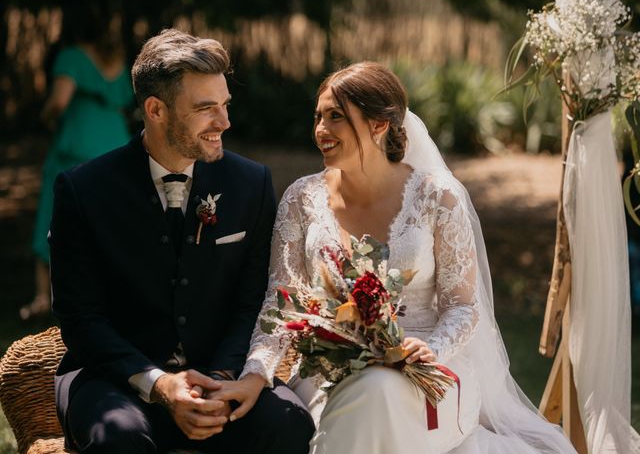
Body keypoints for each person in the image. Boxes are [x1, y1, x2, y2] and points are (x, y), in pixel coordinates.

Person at [218, 62, 579, 453]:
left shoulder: (436, 197)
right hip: (329, 371)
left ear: (379, 124)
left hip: (431, 369)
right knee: (366, 391)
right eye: (318, 116)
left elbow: (463, 306)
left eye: (335, 117)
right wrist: (256, 374)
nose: (320, 130)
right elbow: (281, 304)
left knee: (377, 390)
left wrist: (431, 349)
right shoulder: (301, 199)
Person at [49, 28, 314, 454]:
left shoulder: (251, 183)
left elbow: (253, 300)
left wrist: (225, 379)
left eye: (225, 105)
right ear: (156, 109)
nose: (224, 122)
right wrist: (159, 384)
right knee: (120, 439)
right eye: (206, 108)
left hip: (217, 376)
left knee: (289, 425)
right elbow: (80, 318)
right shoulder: (83, 191)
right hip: (114, 379)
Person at [23, 0, 134, 320]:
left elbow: (59, 100)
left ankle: (44, 296)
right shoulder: (117, 61)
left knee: (54, 214)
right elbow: (126, 102)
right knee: (108, 219)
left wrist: (45, 118)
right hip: (115, 142)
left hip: (77, 143)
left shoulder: (71, 56)